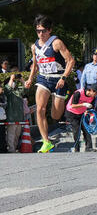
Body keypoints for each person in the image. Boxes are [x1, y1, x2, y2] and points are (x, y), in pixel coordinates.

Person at [25, 14, 76, 153]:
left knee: (55, 115)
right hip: (43, 79)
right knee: (40, 109)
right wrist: (30, 79)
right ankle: (46, 142)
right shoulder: (34, 47)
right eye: (38, 31)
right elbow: (35, 65)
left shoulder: (56, 43)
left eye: (43, 31)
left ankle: (62, 98)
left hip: (58, 79)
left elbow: (71, 61)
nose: (40, 34)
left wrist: (64, 78)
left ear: (49, 30)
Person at [64, 85, 97, 152]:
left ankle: (89, 147)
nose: (96, 94)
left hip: (82, 113)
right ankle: (77, 148)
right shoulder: (78, 93)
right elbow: (73, 105)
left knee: (86, 129)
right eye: (95, 92)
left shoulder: (93, 97)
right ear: (90, 90)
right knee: (76, 131)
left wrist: (88, 111)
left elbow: (91, 107)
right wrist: (84, 104)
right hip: (72, 113)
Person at [2, 74, 30, 152]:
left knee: (17, 135)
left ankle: (14, 148)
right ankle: (11, 149)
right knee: (11, 134)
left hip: (19, 117)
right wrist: (11, 78)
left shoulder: (18, 91)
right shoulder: (8, 92)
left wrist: (21, 79)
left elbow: (26, 87)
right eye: (12, 82)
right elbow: (8, 88)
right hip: (11, 117)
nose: (14, 83)